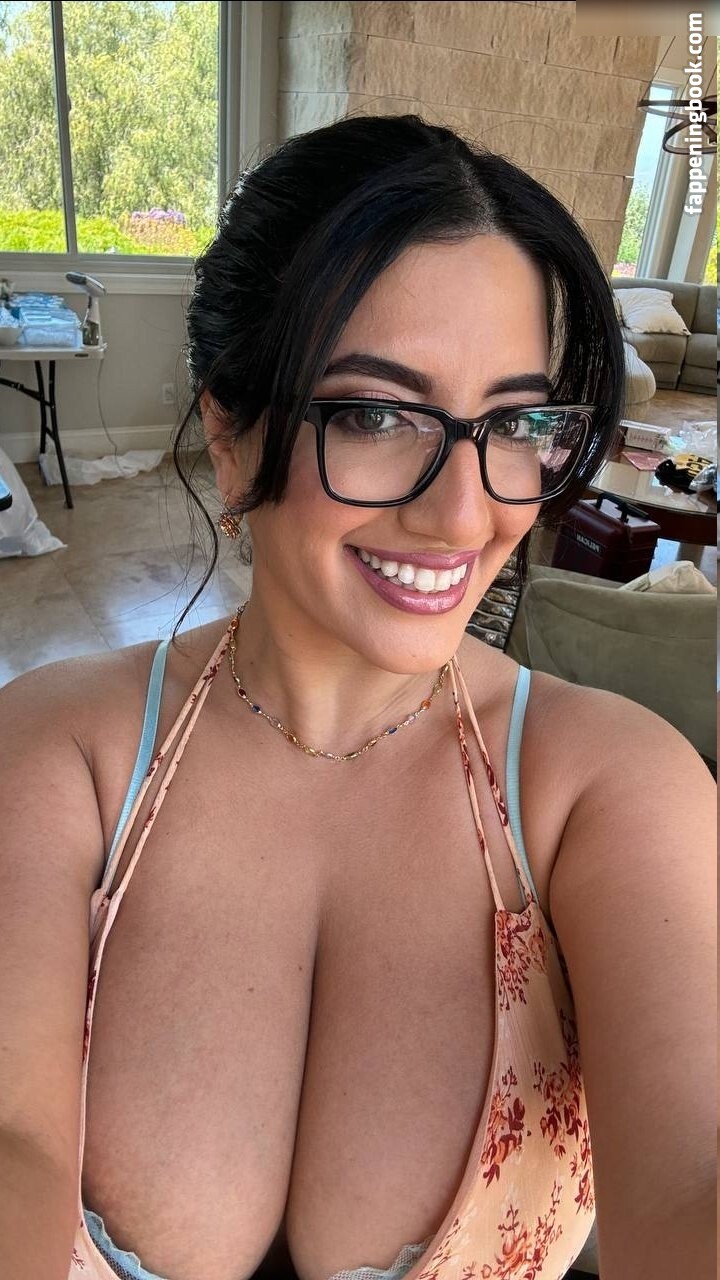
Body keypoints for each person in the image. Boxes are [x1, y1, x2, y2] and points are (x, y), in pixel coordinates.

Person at [0, 115, 714, 1280]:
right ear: (231, 433)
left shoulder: (613, 791)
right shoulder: (54, 753)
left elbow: (693, 1178)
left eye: (516, 423)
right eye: (378, 414)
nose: (463, 513)